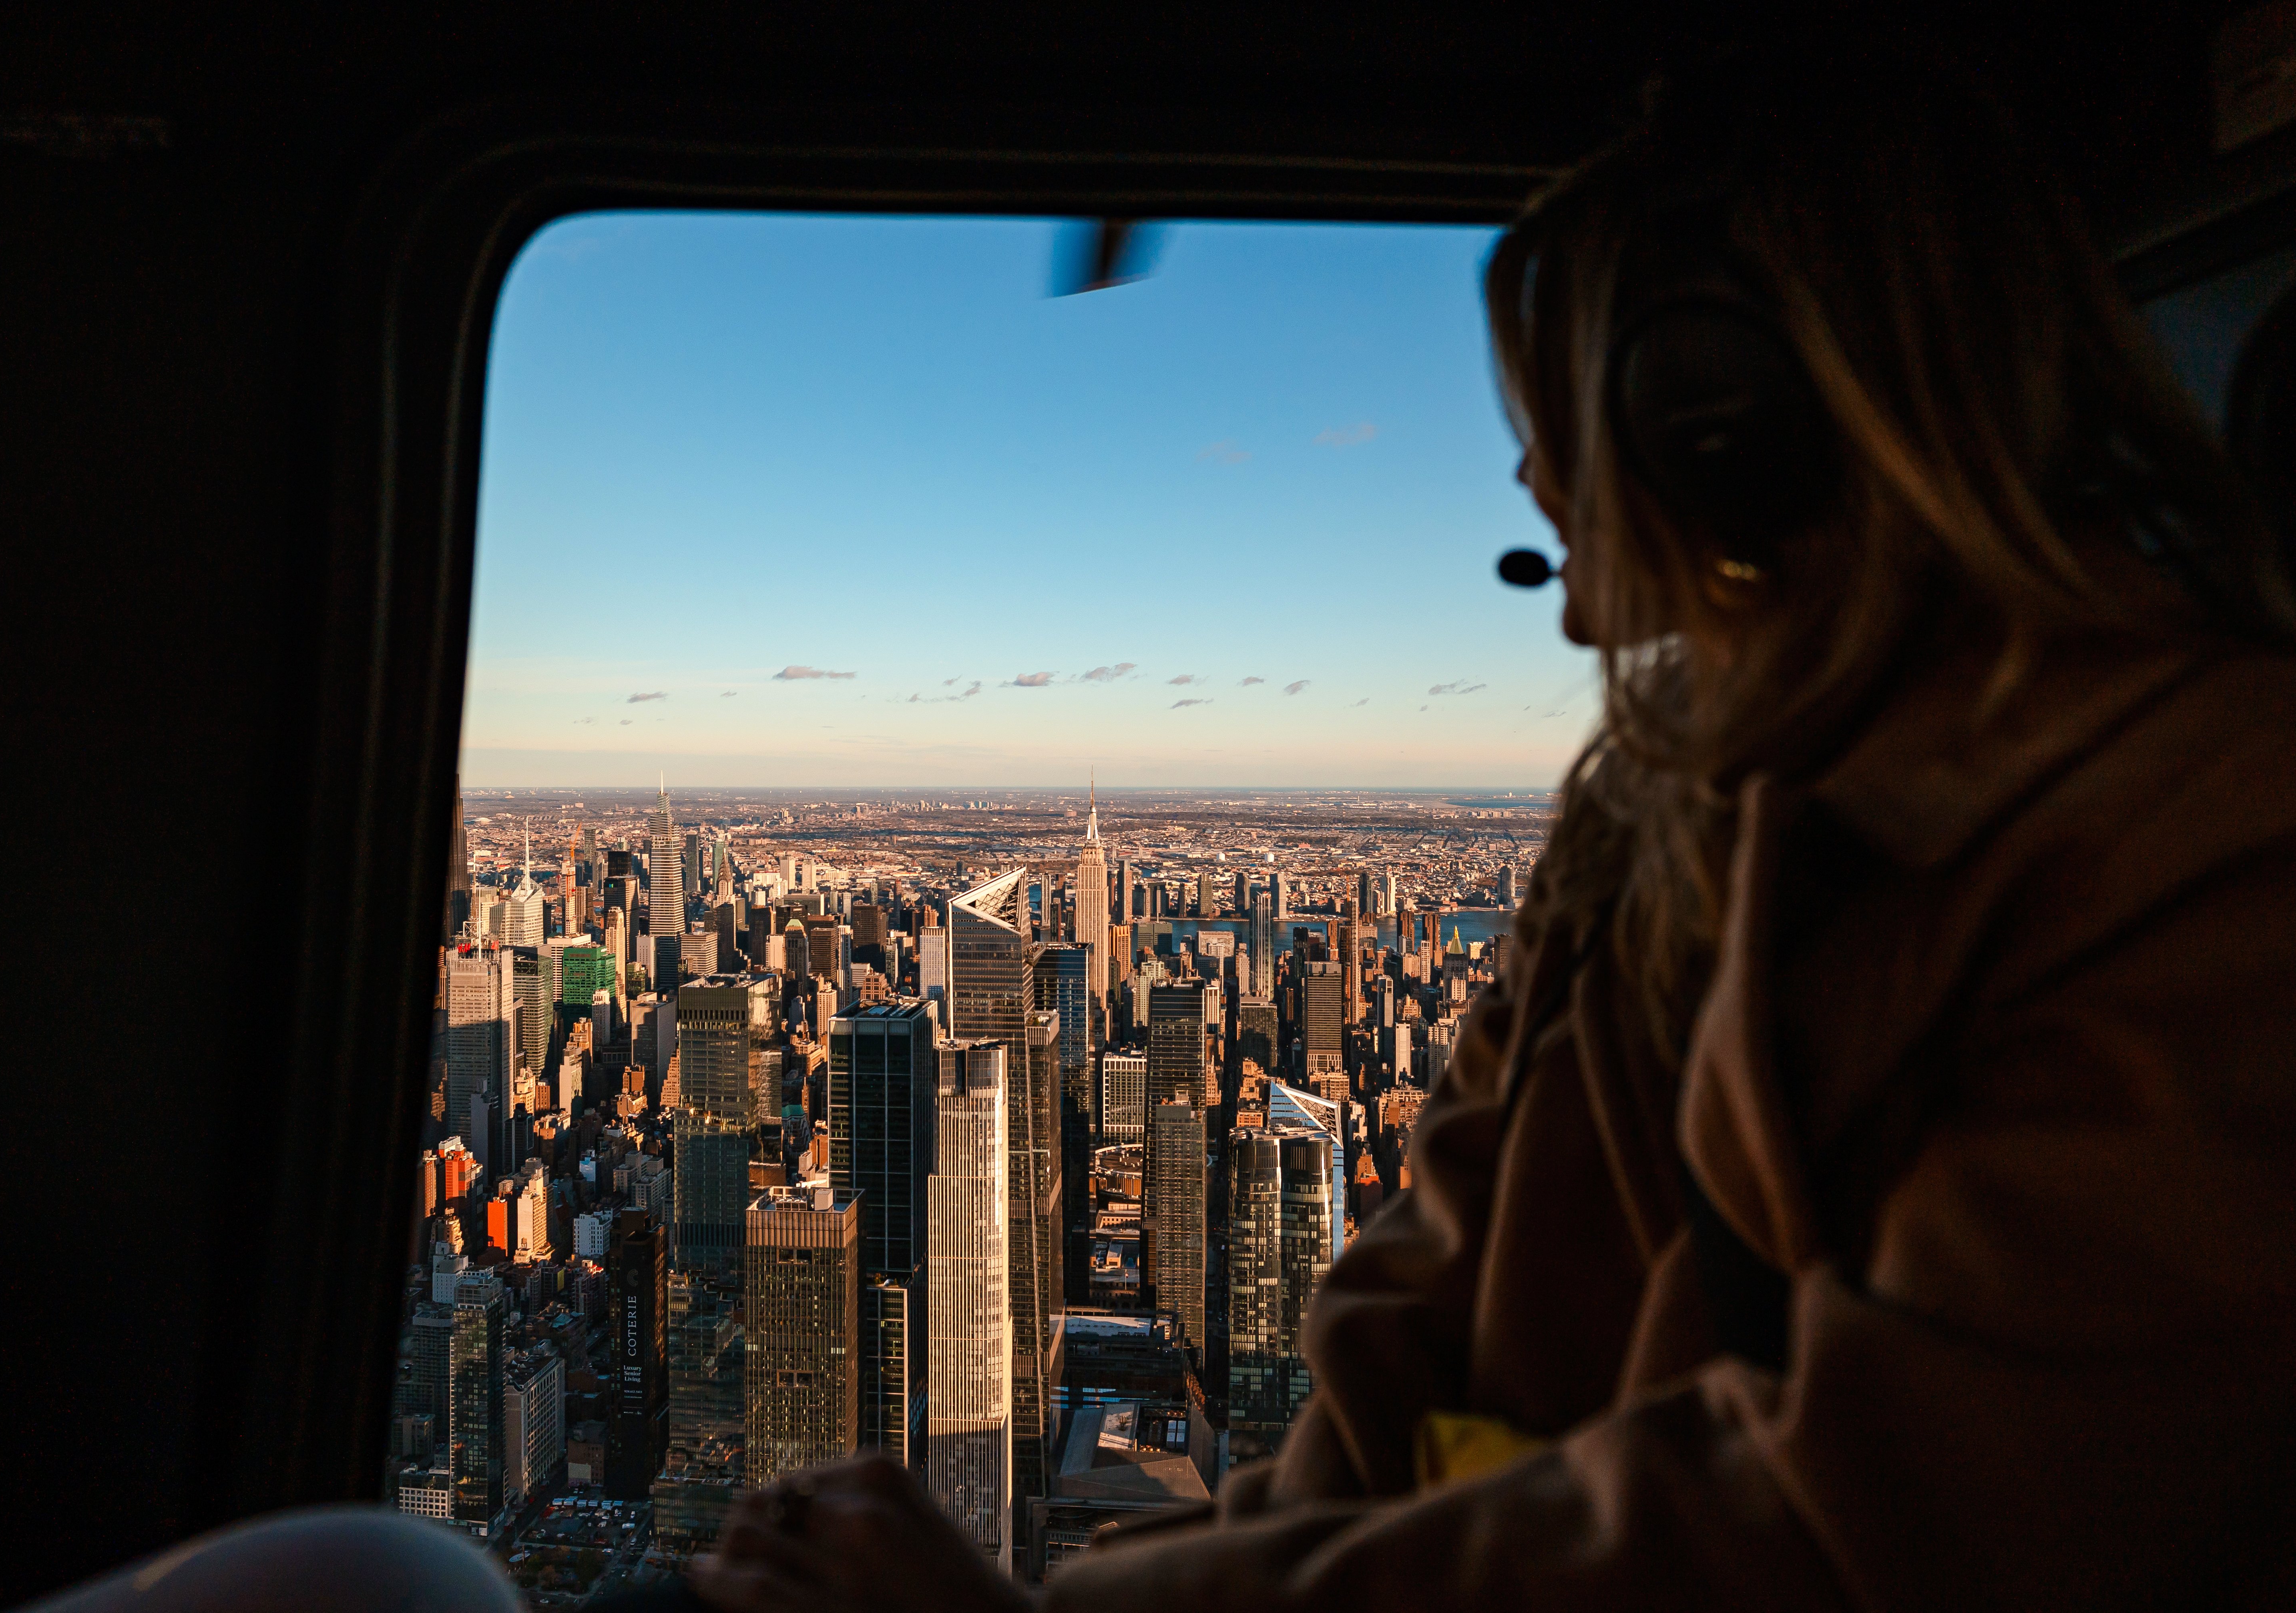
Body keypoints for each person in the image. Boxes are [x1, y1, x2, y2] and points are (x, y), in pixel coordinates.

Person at [691, 48, 2296, 1613]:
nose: (1536, 490)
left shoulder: (2210, 853)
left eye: (1573, 433)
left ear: (1729, 427)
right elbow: (1410, 1323)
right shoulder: (1651, 819)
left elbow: (1882, 1522)